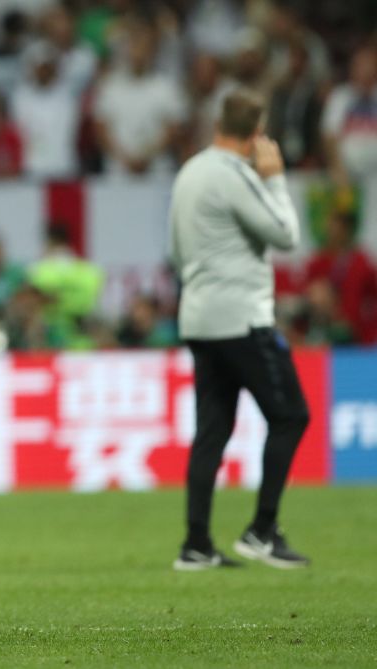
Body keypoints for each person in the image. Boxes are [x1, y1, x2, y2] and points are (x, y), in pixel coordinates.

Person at [169, 89, 310, 571]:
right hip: (240, 317)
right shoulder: (233, 175)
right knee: (291, 415)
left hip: (198, 316)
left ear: (217, 124)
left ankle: (196, 543)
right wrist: (274, 180)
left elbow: (176, 248)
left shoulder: (189, 171)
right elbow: (286, 236)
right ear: (255, 135)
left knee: (211, 429)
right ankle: (263, 530)